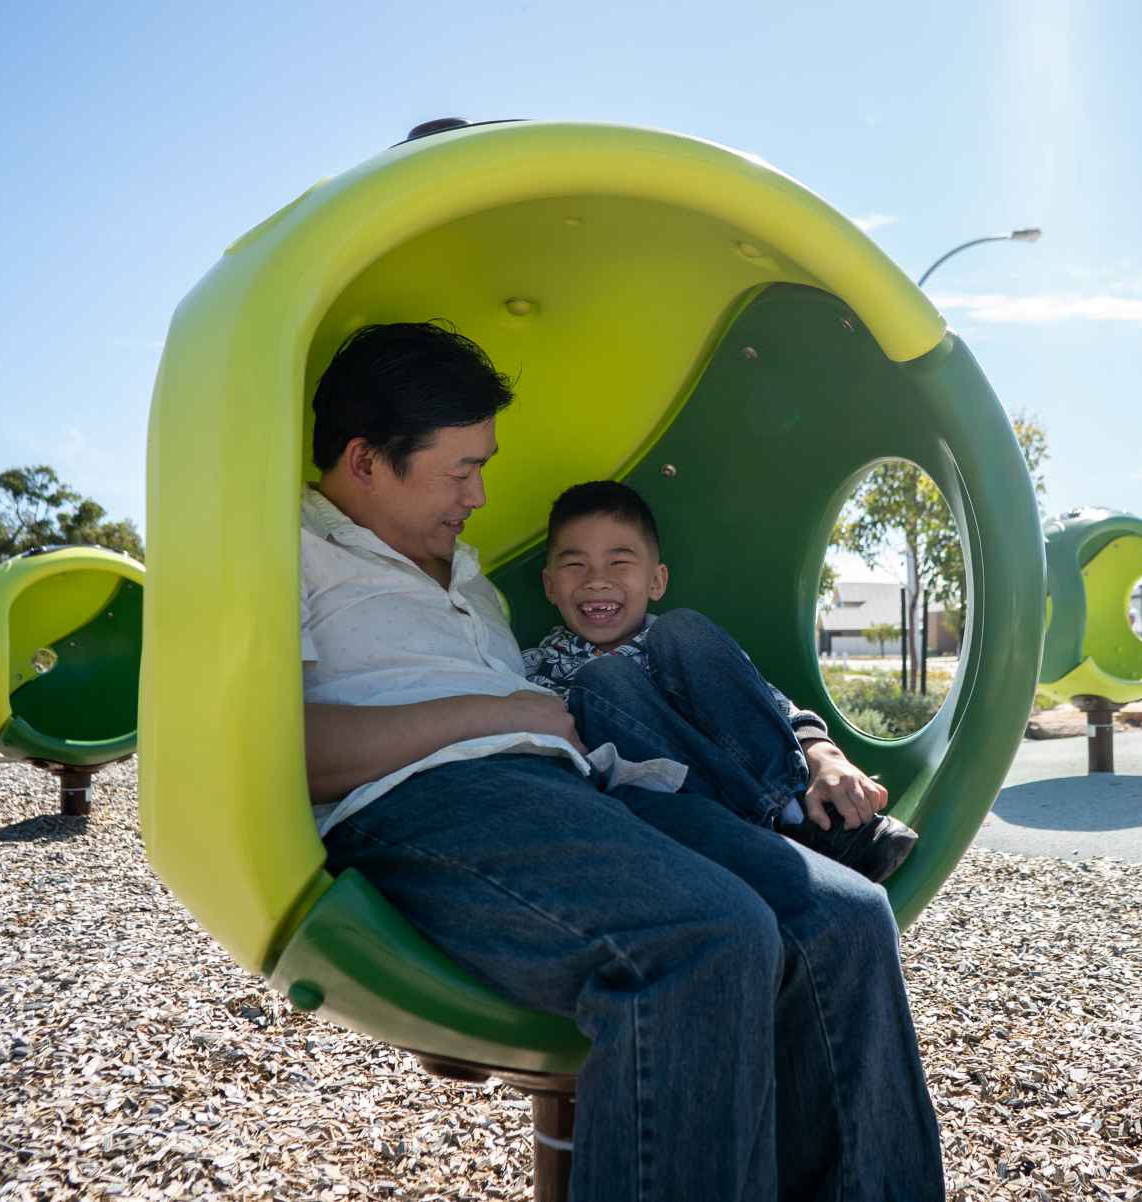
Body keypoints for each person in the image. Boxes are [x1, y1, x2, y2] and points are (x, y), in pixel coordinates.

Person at [300, 321, 944, 1201]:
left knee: (847, 918)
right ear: (366, 460)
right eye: (461, 470)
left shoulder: (463, 571)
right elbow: (288, 753)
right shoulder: (288, 555)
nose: (479, 494)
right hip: (429, 799)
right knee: (709, 938)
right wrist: (500, 713)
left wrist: (811, 744)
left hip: (585, 786)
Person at [523, 480, 920, 883]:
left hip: (774, 792)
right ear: (549, 585)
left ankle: (798, 816)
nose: (596, 580)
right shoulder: (536, 669)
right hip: (688, 823)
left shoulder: (686, 647)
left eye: (619, 563)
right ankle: (769, 833)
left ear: (656, 581)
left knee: (683, 628)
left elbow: (768, 705)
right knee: (604, 678)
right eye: (575, 565)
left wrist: (823, 754)